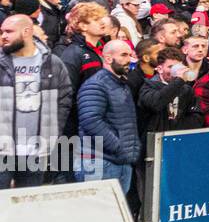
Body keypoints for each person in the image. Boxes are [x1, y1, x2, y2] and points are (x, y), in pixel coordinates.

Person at [0, 14, 74, 188]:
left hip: (35, 151)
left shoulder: (52, 63)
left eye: (9, 31)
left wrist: (52, 133)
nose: (3, 36)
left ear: (26, 32)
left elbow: (64, 99)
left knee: (28, 207)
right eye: (2, 32)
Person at [74, 39, 139, 194]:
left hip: (119, 161)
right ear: (108, 58)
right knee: (95, 215)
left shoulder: (120, 84)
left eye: (130, 55)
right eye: (123, 55)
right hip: (99, 162)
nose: (129, 60)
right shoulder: (96, 84)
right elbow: (91, 121)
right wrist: (119, 146)